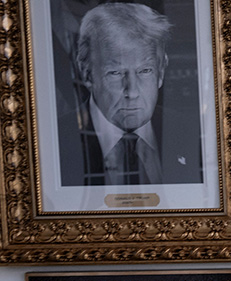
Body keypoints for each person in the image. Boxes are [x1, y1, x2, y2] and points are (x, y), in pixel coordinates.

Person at [58, 2, 202, 186]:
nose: (132, 92)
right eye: (115, 73)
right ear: (87, 74)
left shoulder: (192, 133)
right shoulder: (54, 142)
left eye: (145, 71)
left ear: (161, 72)